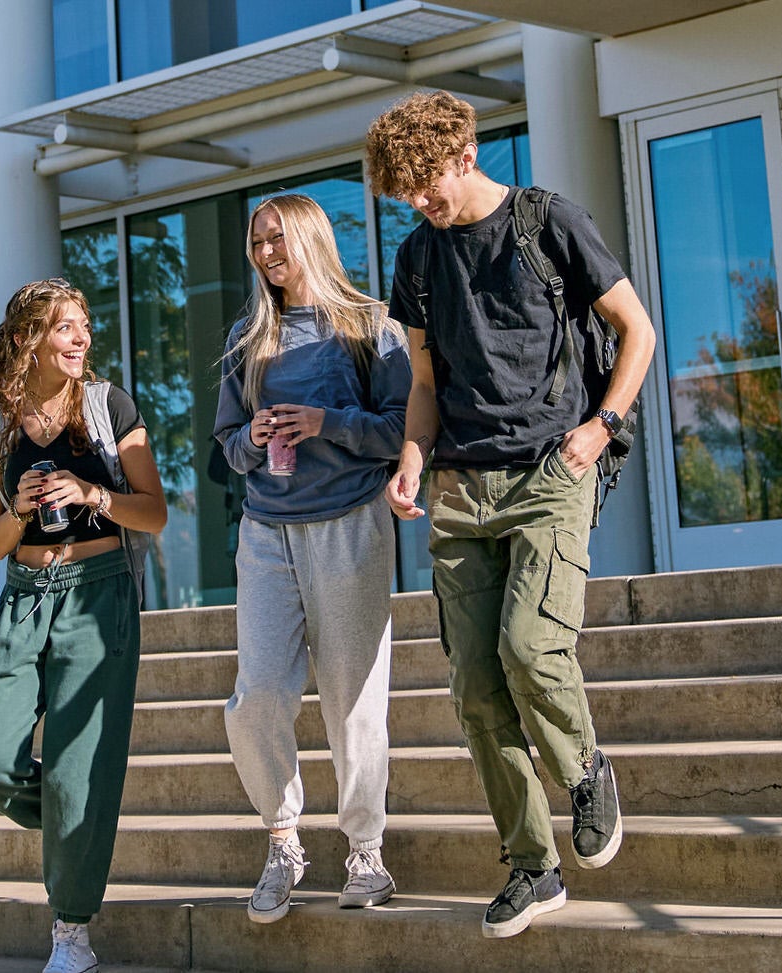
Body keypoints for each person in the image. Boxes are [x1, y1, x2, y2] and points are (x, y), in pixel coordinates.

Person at [365, 91, 656, 939]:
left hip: (549, 470)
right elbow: (424, 383)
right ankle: (532, 864)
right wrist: (410, 460)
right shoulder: (418, 257)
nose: (421, 200)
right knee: (475, 688)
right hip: (458, 486)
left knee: (530, 647)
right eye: (405, 191)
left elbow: (634, 328)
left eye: (427, 182)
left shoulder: (547, 222)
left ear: (462, 153)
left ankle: (585, 767)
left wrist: (602, 427)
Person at [213, 192, 412, 924]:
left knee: (352, 696)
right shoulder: (249, 335)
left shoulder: (369, 326)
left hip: (349, 524)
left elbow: (400, 429)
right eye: (255, 239)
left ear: (309, 239)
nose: (265, 250)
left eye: (276, 237)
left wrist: (327, 422)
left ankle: (365, 849)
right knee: (258, 694)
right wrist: (254, 435)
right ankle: (283, 837)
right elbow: (227, 444)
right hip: (266, 529)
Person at [0, 278, 167, 973]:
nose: (80, 338)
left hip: (97, 591)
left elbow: (154, 511)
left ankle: (71, 933)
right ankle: (78, 819)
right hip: (24, 595)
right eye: (63, 328)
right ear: (28, 339)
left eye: (83, 326)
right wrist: (19, 510)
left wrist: (92, 493)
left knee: (81, 770)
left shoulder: (111, 405)